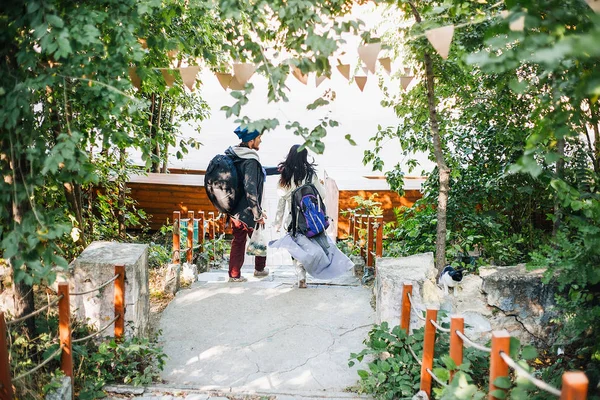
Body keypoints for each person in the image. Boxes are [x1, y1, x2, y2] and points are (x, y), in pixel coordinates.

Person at [273, 145, 326, 288]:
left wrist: (277, 223)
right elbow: (323, 195)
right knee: (308, 246)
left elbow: (281, 202)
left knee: (295, 248)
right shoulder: (310, 174)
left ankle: (300, 275)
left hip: (293, 220)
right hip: (309, 219)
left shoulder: (285, 175)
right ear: (304, 157)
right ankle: (306, 271)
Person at [224, 126, 270, 282]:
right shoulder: (250, 159)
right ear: (251, 141)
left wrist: (279, 169)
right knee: (258, 237)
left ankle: (235, 274)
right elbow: (250, 187)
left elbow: (258, 172)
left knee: (240, 240)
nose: (261, 140)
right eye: (259, 138)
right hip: (247, 209)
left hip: (234, 206)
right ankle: (258, 270)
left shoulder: (235, 155)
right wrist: (257, 213)